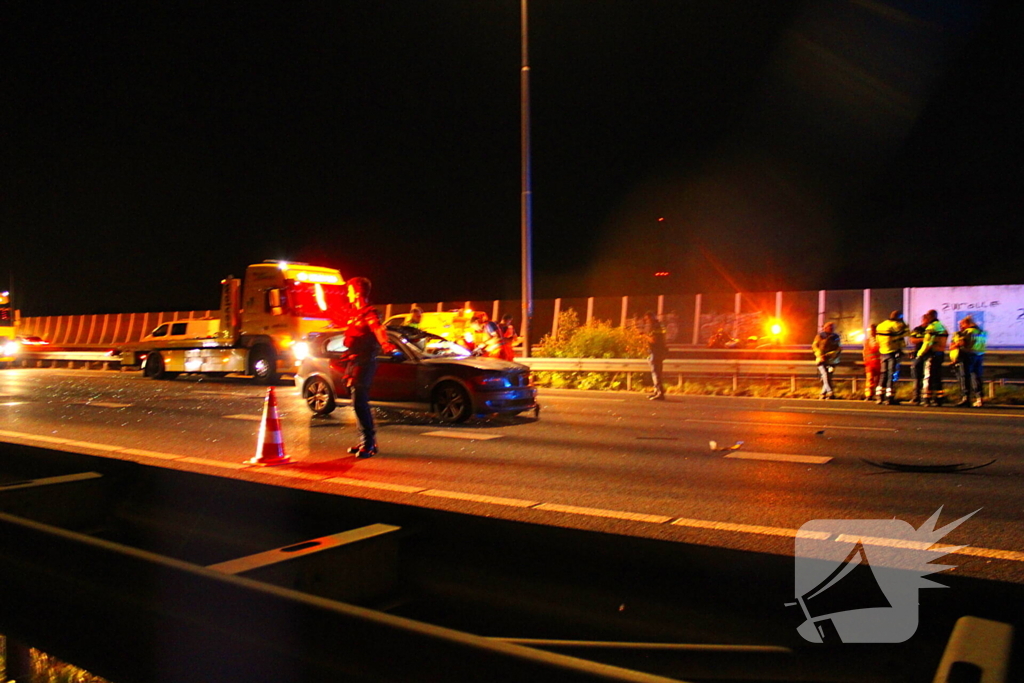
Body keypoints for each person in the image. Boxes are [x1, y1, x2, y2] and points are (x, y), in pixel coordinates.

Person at [341, 277, 395, 458]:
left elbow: (377, 328)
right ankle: (365, 441)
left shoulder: (369, 313)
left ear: (356, 292)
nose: (347, 294)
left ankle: (369, 443)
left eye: (349, 290)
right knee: (356, 402)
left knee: (359, 402)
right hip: (353, 361)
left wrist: (386, 344)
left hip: (365, 363)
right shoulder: (355, 313)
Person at [950, 315, 986, 407]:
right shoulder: (981, 332)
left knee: (964, 377)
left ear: (967, 323)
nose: (961, 327)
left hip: (968, 356)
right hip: (979, 355)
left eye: (962, 324)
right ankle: (979, 399)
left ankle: (966, 398)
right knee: (976, 377)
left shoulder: (968, 332)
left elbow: (962, 343)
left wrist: (955, 345)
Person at [875, 310, 908, 405]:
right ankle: (889, 397)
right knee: (891, 374)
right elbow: (906, 333)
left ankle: (879, 397)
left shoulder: (881, 325)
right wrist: (903, 323)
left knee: (883, 374)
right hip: (893, 352)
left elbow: (877, 339)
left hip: (883, 352)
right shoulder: (896, 325)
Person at [916, 309, 948, 406]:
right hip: (940, 353)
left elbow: (927, 343)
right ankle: (939, 398)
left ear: (931, 316)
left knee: (928, 376)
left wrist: (920, 354)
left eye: (928, 316)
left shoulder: (931, 327)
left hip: (932, 354)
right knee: (937, 376)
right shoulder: (941, 326)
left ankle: (926, 398)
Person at [642, 311, 668, 400]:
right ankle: (657, 391)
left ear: (650, 318)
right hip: (659, 352)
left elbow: (653, 340)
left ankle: (660, 393)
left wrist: (644, 336)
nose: (646, 321)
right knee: (657, 373)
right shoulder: (660, 325)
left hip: (655, 352)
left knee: (656, 373)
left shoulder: (654, 327)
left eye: (647, 319)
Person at [812, 322, 841, 400]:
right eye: (829, 327)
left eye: (832, 327)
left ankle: (822, 393)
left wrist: (829, 355)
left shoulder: (836, 337)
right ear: (825, 327)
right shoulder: (820, 336)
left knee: (827, 377)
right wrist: (820, 355)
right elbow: (815, 346)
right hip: (821, 360)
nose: (831, 328)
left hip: (832, 360)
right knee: (825, 375)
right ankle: (830, 392)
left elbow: (838, 348)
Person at [907, 317, 928, 405]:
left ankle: (926, 397)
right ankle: (916, 396)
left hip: (928, 354)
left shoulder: (931, 329)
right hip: (918, 354)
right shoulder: (917, 329)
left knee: (927, 377)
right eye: (924, 320)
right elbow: (912, 340)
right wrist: (923, 339)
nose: (925, 322)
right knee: (916, 375)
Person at [862, 324, 881, 400]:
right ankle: (868, 395)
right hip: (869, 363)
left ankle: (878, 394)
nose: (871, 332)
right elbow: (865, 351)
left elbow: (877, 349)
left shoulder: (879, 340)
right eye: (870, 330)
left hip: (878, 362)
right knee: (869, 379)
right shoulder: (867, 341)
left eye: (872, 330)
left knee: (878, 380)